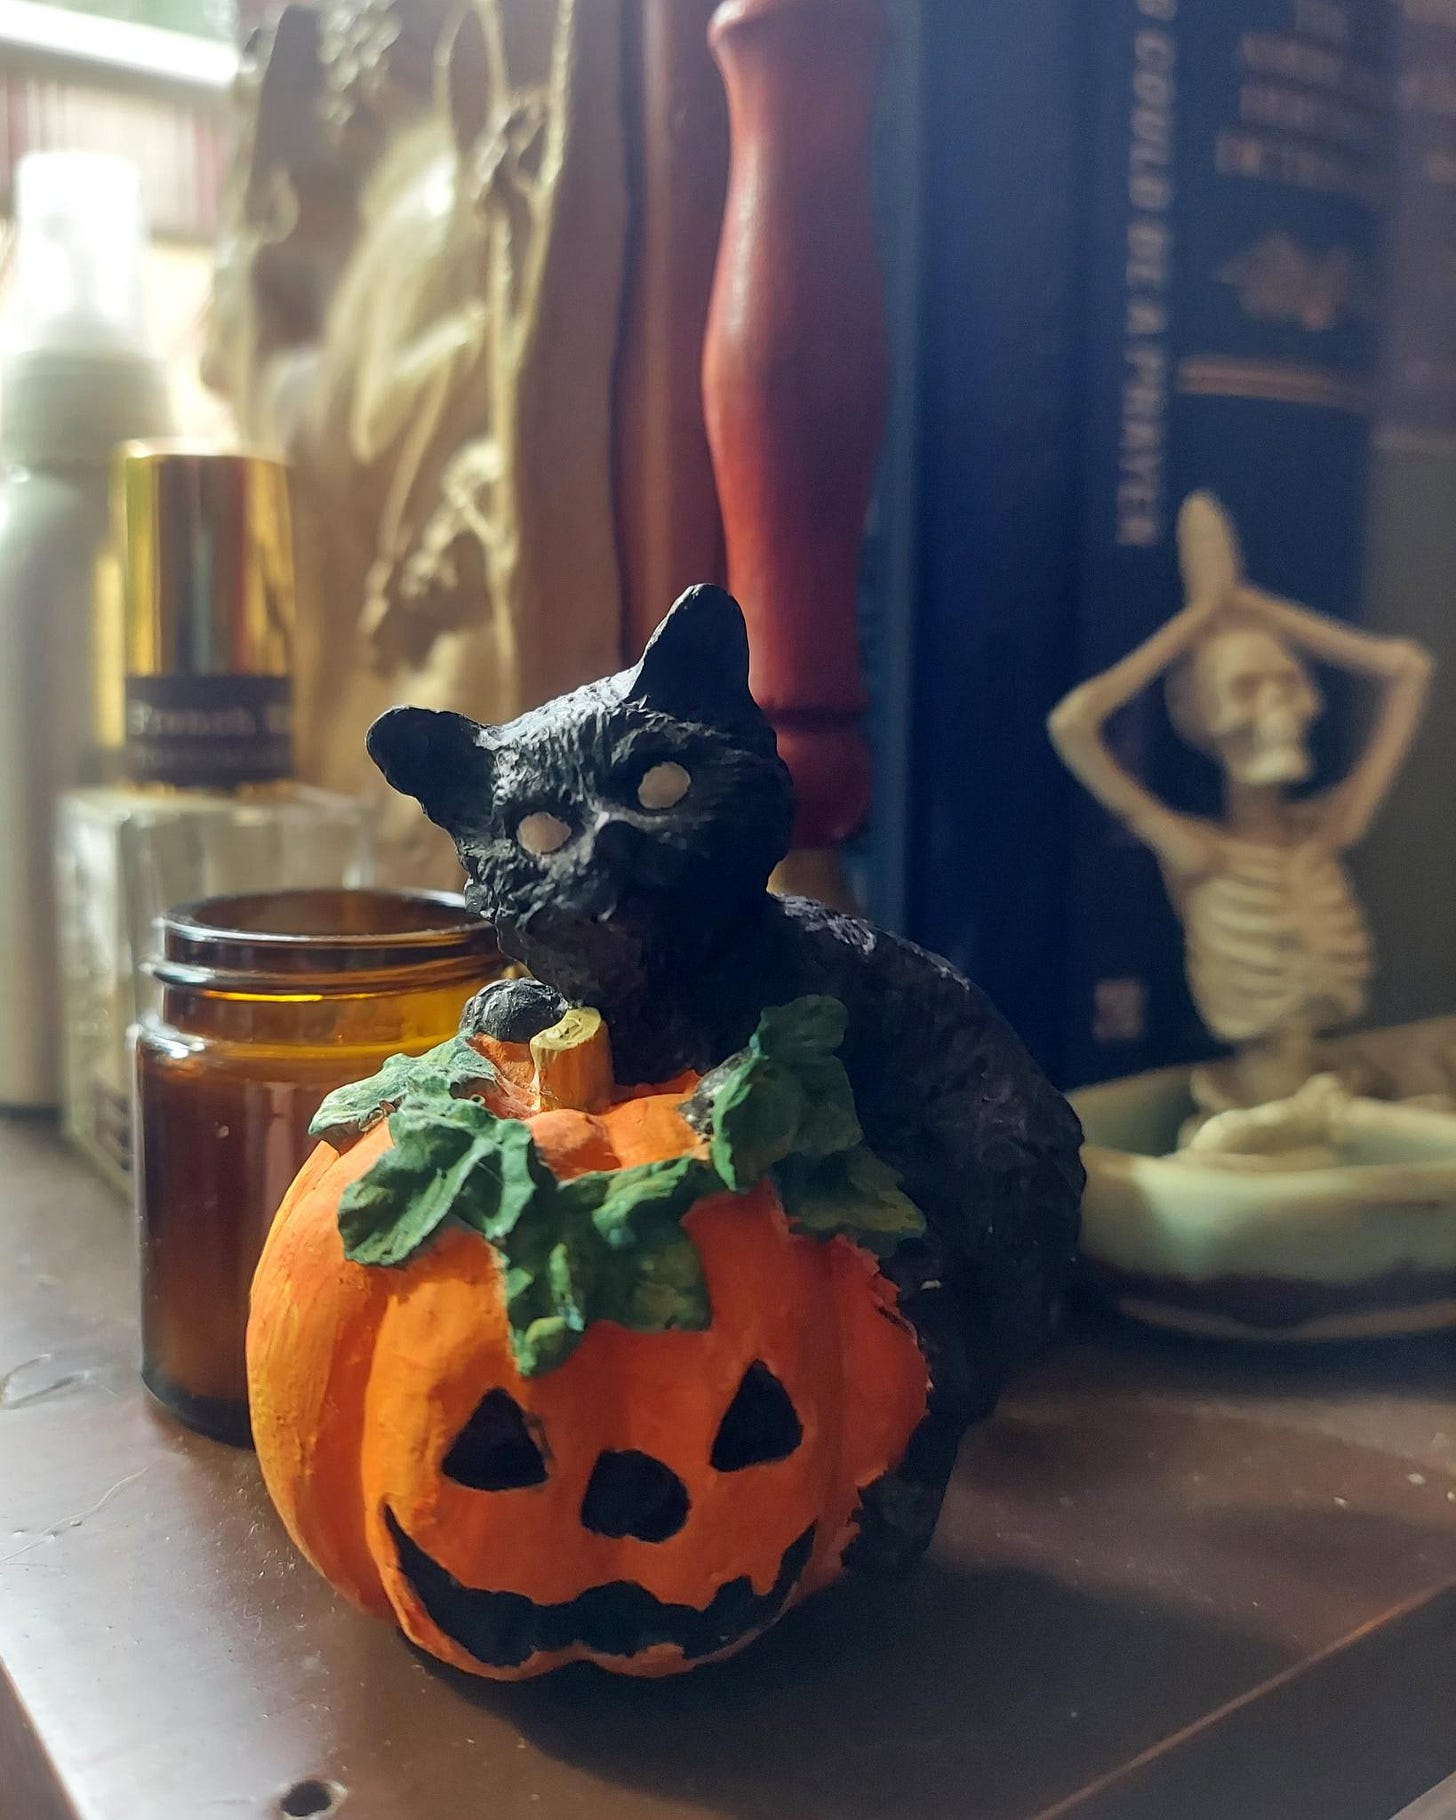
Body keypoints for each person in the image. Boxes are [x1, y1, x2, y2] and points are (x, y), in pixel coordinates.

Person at [1049, 492, 1432, 1109]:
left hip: (1337, 1089)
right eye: (1246, 690)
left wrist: (1251, 605)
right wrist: (1196, 621)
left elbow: (1408, 669)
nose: (1279, 709)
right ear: (1199, 716)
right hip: (1248, 1100)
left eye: (1288, 684)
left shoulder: (1328, 827)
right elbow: (1074, 725)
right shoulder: (1198, 853)